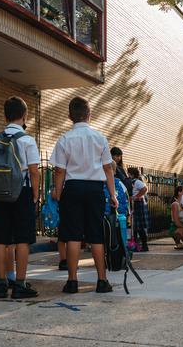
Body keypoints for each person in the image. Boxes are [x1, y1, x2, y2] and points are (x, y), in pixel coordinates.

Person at [51, 97, 119, 294]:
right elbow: (108, 168)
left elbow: (59, 171)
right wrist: (113, 194)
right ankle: (102, 281)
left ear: (69, 116)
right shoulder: (100, 138)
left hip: (72, 188)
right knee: (96, 235)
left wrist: (58, 192)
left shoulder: (64, 139)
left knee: (72, 235)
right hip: (95, 189)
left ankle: (72, 281)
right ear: (89, 114)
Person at [0, 97, 41, 299]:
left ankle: (1, 283)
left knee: (0, 238)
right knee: (22, 240)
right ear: (24, 115)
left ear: (4, 115)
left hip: (1, 192)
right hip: (22, 191)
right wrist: (35, 194)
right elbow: (34, 171)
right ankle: (20, 284)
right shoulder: (27, 140)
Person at [128, 167, 150, 252]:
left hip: (138, 204)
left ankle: (144, 246)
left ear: (132, 174)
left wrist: (135, 197)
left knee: (139, 226)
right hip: (137, 204)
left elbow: (144, 189)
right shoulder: (134, 182)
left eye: (128, 173)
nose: (127, 175)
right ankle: (138, 246)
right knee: (136, 227)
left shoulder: (137, 182)